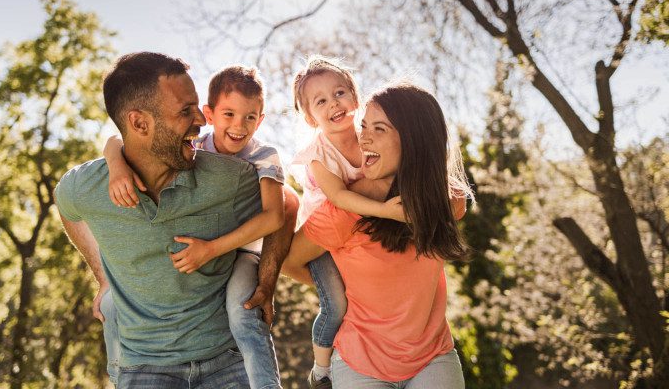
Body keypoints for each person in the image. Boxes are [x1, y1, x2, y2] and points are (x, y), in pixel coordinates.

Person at [55, 52, 290, 388]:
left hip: (225, 360)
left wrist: (266, 283)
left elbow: (286, 207)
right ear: (139, 124)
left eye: (197, 106)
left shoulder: (230, 177)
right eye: (185, 111)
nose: (202, 120)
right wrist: (103, 277)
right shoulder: (87, 187)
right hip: (143, 367)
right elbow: (66, 206)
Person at [282, 82, 471, 389]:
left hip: (432, 356)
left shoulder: (449, 201)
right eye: (364, 125)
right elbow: (289, 262)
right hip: (360, 363)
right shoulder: (342, 212)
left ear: (414, 139)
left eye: (379, 129)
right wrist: (341, 292)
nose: (363, 136)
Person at [288, 55, 405, 388]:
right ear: (310, 117)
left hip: (355, 231)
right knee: (336, 303)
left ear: (355, 97)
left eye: (340, 93)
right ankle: (321, 369)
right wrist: (387, 211)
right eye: (320, 101)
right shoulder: (317, 154)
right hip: (321, 239)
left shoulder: (370, 135)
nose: (334, 104)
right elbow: (339, 198)